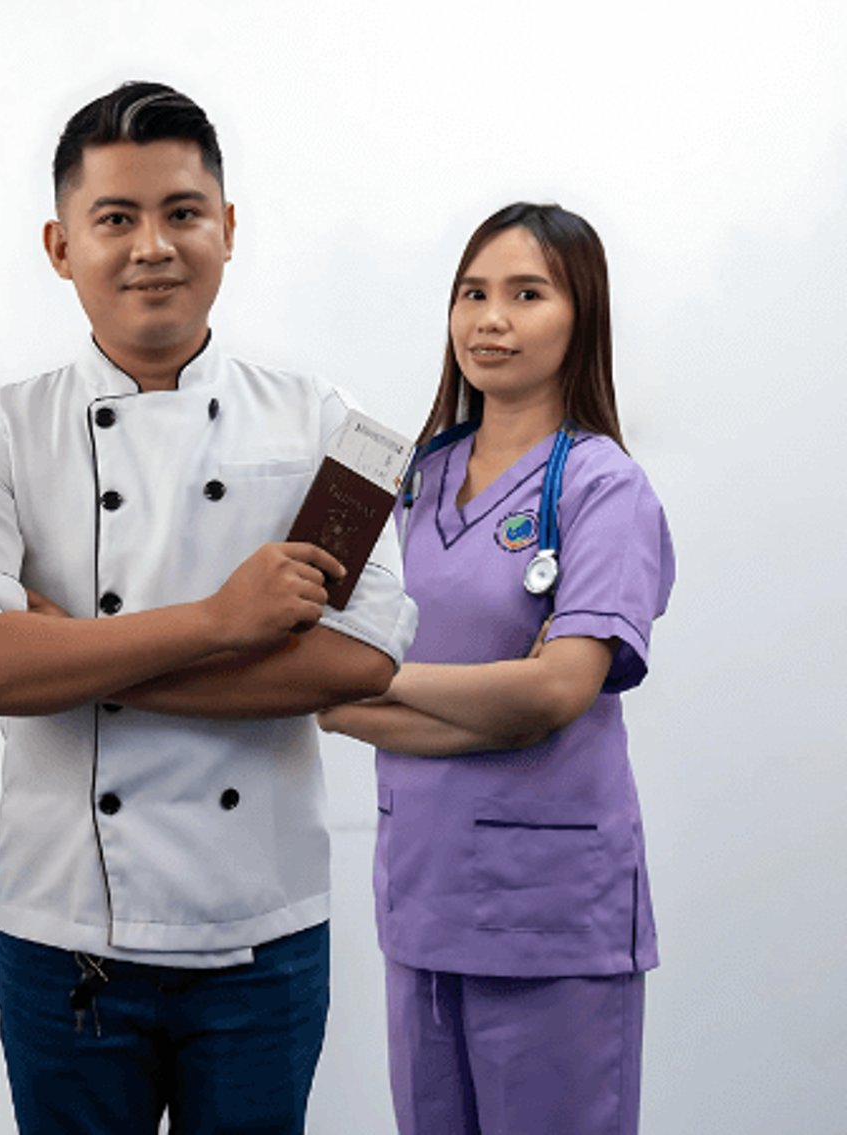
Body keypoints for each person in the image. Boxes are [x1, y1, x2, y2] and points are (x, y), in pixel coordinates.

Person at [0, 81, 418, 1134]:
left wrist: (70, 653)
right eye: (116, 218)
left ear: (229, 228)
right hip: (67, 938)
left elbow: (365, 654)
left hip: (264, 934)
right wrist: (222, 621)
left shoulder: (328, 421)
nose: (153, 247)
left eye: (183, 213)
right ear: (60, 246)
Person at [317, 202, 672, 1134]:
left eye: (526, 294)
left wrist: (374, 680)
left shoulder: (604, 488)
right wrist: (483, 699)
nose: (491, 319)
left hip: (551, 916)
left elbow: (557, 690)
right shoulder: (400, 478)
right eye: (472, 294)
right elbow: (314, 684)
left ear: (582, 315)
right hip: (423, 900)